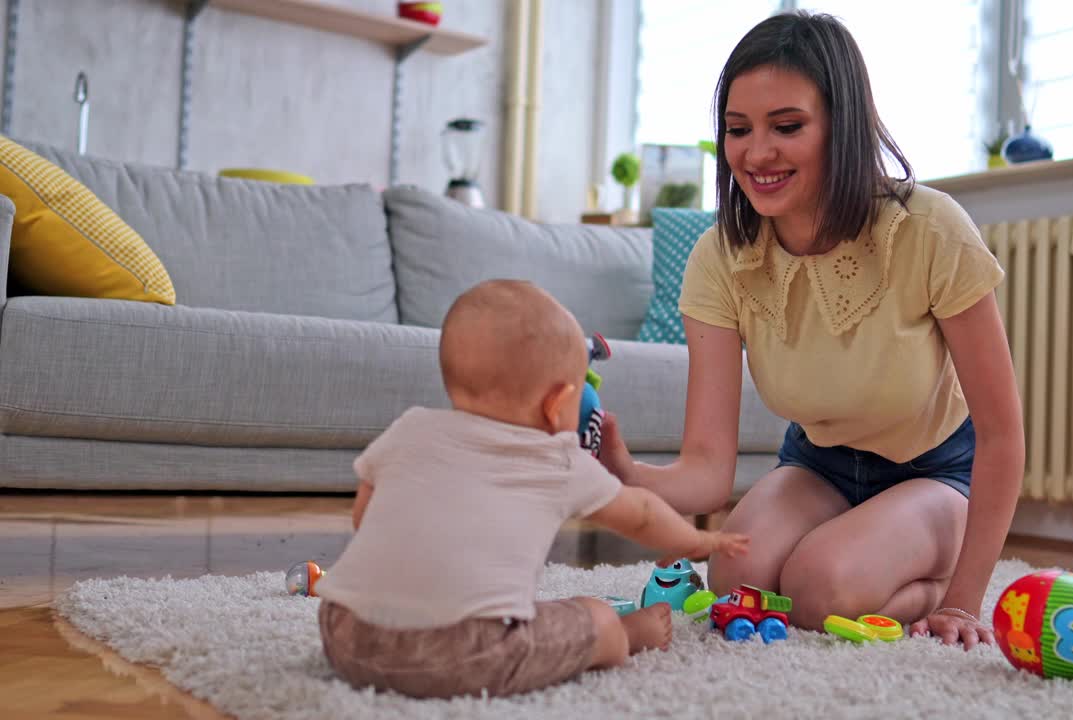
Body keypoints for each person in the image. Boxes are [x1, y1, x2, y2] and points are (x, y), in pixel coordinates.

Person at [597, 11, 1024, 651]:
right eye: (738, 130)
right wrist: (622, 471)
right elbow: (710, 470)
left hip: (933, 472)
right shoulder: (720, 258)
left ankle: (927, 574)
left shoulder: (931, 229)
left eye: (787, 127)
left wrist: (963, 603)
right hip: (818, 465)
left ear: (841, 126)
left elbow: (1001, 433)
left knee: (819, 591)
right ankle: (862, 546)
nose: (756, 153)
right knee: (735, 575)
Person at [313, 279, 750, 699]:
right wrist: (699, 539)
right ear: (558, 404)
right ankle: (632, 634)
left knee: (552, 609)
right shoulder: (558, 458)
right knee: (593, 617)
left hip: (346, 633)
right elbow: (641, 515)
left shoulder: (410, 428)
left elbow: (364, 516)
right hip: (465, 654)